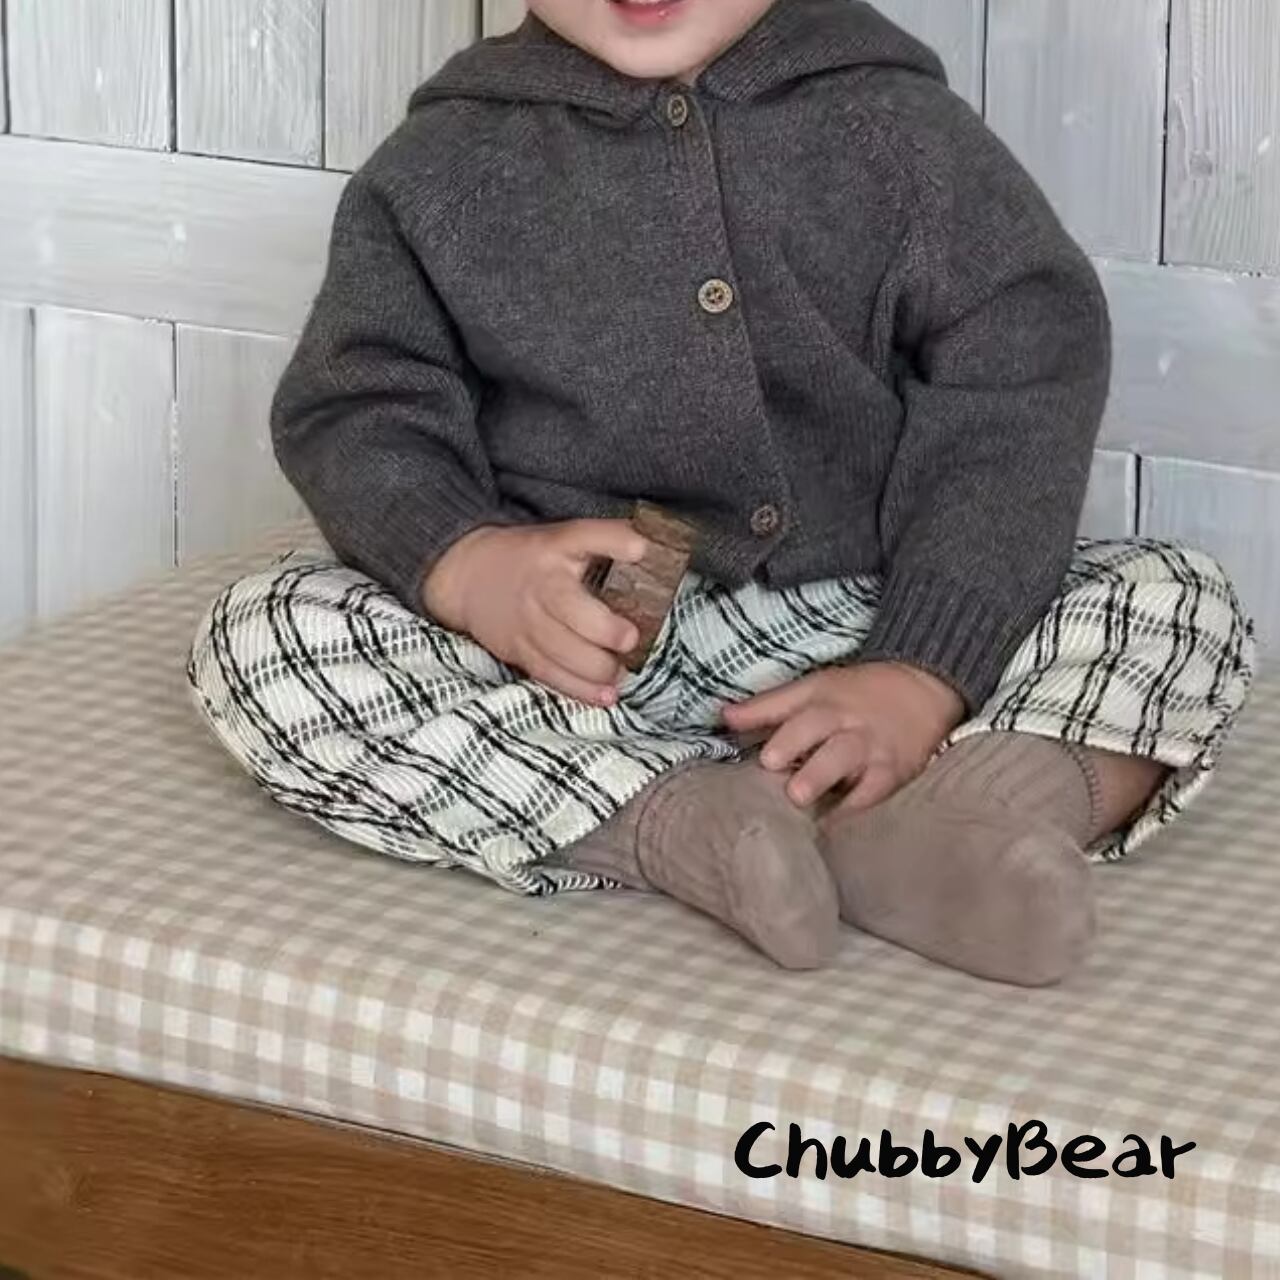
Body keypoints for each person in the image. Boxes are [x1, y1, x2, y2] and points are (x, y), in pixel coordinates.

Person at [188, 0, 1255, 985]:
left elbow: (1020, 379)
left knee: (1172, 597)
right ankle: (674, 820)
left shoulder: (893, 131)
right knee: (262, 634)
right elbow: (358, 404)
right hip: (584, 651)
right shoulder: (441, 168)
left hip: (869, 609)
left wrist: (921, 670)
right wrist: (470, 564)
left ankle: (965, 818)